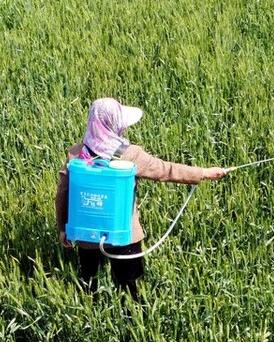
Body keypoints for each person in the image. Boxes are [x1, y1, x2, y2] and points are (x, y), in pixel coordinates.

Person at [55, 97, 227, 301]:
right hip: (124, 235)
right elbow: (166, 170)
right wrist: (204, 173)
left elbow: (62, 195)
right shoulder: (130, 155)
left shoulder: (76, 155)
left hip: (86, 236)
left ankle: (91, 312)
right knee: (130, 287)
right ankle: (133, 320)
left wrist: (63, 229)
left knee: (88, 281)